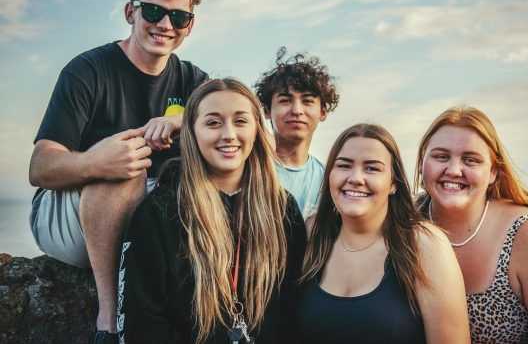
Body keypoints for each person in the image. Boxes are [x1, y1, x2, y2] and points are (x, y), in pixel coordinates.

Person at [27, 0, 207, 341]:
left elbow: (247, 132)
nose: (165, 25)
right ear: (131, 13)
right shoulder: (87, 70)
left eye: (179, 16)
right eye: (153, 12)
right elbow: (40, 167)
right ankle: (109, 325)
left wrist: (182, 123)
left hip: (145, 220)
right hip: (69, 216)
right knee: (128, 165)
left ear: (190, 25)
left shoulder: (196, 85)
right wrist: (97, 161)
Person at [117, 78, 307, 343]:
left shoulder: (282, 209)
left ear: (257, 131)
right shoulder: (159, 212)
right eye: (213, 122)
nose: (228, 134)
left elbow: (296, 311)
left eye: (240, 121)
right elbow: (143, 326)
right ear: (192, 132)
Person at [413, 106, 528, 343]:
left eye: (470, 160)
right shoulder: (404, 225)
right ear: (421, 163)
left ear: (493, 172)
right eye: (441, 156)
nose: (453, 170)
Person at [296, 124, 470, 344]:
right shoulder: (313, 235)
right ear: (329, 174)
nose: (356, 177)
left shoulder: (423, 244)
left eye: (372, 168)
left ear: (393, 184)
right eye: (344, 165)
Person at [255, 47, 340, 219]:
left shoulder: (329, 180)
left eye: (307, 101)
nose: (297, 110)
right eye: (285, 100)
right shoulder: (249, 168)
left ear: (322, 112)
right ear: (266, 110)